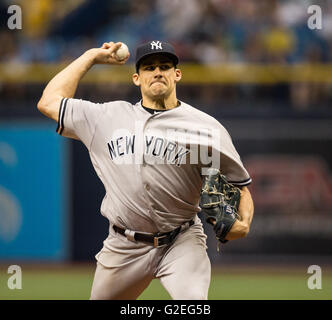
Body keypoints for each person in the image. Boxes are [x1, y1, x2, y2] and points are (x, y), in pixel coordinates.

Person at [37, 40, 254, 300]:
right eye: (149, 67)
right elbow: (49, 102)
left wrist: (244, 223)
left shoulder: (207, 128)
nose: (158, 72)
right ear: (137, 78)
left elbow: (240, 186)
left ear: (177, 74)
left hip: (181, 241)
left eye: (164, 66)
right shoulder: (105, 118)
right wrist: (90, 57)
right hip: (123, 246)